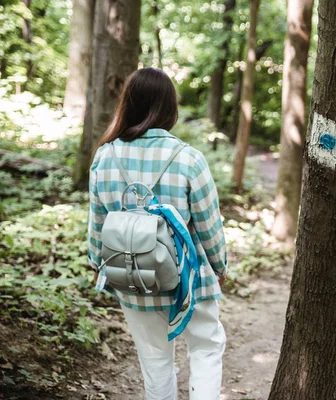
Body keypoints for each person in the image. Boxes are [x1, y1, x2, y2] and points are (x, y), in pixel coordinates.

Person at [87, 67, 228, 400]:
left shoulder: (105, 157)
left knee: (154, 360)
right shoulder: (189, 159)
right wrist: (220, 267)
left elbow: (98, 225)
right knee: (206, 347)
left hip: (133, 276)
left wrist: (97, 263)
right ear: (169, 108)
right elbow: (209, 225)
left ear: (128, 105)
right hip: (188, 280)